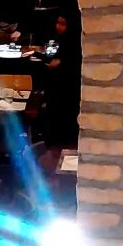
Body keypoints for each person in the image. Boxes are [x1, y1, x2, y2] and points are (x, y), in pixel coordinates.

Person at [29, 13, 82, 146]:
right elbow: (54, 59)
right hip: (56, 84)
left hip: (67, 86)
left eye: (63, 24)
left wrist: (59, 63)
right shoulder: (61, 39)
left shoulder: (75, 41)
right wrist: (35, 54)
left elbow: (69, 61)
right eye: (58, 23)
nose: (58, 26)